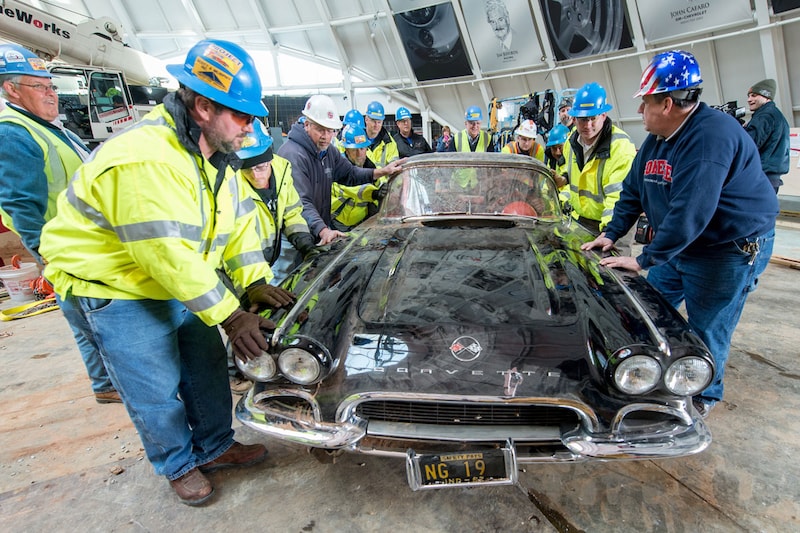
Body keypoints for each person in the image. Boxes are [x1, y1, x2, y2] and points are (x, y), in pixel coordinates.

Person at [39, 39, 294, 506]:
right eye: (241, 115)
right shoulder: (144, 157)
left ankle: (215, 445)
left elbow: (233, 226)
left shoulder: (214, 157)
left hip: (181, 286)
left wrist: (254, 279)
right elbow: (164, 252)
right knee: (154, 386)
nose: (251, 127)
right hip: (116, 289)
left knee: (206, 369)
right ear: (202, 106)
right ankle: (178, 463)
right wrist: (231, 315)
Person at [581, 50, 779, 418]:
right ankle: (649, 374)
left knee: (707, 326)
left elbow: (691, 213)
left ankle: (700, 398)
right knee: (651, 307)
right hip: (684, 245)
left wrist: (642, 259)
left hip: (727, 249)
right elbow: (633, 191)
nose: (640, 112)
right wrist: (611, 234)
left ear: (668, 103)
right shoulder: (659, 138)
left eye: (645, 103)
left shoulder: (709, 140)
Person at [0, 43, 119, 405]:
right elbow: (20, 202)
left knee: (82, 320)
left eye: (51, 87)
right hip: (64, 246)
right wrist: (44, 257)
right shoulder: (14, 132)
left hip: (77, 240)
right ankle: (116, 381)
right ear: (12, 89)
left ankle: (104, 384)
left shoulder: (50, 128)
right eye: (40, 87)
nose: (51, 94)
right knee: (96, 320)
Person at [277, 94, 404, 245]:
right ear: (307, 124)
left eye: (330, 131)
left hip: (317, 230)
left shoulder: (327, 151)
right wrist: (323, 230)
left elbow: (350, 173)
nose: (326, 136)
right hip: (294, 237)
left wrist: (382, 171)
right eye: (320, 130)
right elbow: (301, 202)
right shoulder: (293, 155)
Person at [560, 82, 636, 237]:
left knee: (609, 261)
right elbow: (572, 179)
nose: (587, 125)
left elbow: (618, 197)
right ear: (574, 119)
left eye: (592, 118)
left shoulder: (620, 148)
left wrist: (609, 231)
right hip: (581, 221)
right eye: (582, 119)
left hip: (616, 224)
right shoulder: (571, 142)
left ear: (603, 115)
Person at [332, 124, 385, 230]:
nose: (359, 154)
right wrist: (374, 193)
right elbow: (352, 189)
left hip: (363, 222)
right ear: (346, 150)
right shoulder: (338, 168)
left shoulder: (370, 164)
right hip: (339, 223)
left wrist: (386, 186)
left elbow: (380, 179)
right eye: (354, 150)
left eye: (362, 148)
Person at [744, 78, 790, 194]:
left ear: (766, 96)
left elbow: (749, 145)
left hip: (762, 176)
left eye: (754, 96)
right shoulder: (774, 114)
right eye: (749, 96)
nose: (749, 100)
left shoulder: (765, 116)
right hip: (771, 177)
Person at [363, 100, 399, 168]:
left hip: (383, 178)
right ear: (366, 119)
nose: (376, 125)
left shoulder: (389, 142)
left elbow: (394, 166)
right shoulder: (357, 139)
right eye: (373, 121)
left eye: (379, 122)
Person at [544, 123, 569, 189]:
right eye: (554, 148)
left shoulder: (574, 161)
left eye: (560, 148)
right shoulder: (551, 160)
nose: (557, 152)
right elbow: (546, 185)